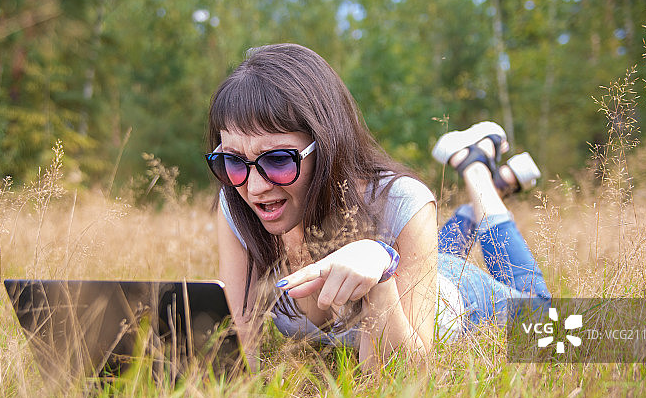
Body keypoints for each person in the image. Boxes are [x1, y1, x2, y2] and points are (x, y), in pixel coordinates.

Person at [205, 43, 550, 371]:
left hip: (459, 296)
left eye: (278, 159)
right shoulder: (237, 201)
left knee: (568, 332)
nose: (254, 187)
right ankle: (500, 180)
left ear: (325, 146)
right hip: (418, 256)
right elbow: (237, 351)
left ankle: (475, 167)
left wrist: (379, 276)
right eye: (233, 161)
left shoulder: (401, 200)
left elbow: (399, 379)